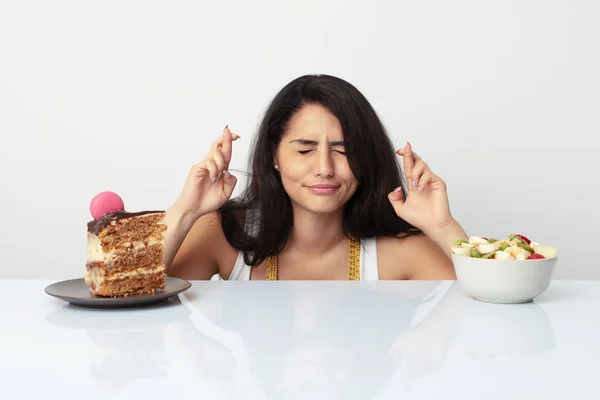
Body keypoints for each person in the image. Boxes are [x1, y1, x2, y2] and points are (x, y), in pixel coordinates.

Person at [164, 74, 468, 280]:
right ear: (274, 156)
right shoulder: (223, 234)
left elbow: (493, 315)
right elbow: (127, 297)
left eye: (344, 150)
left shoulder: (403, 251)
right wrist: (185, 211)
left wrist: (443, 227)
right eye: (305, 150)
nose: (324, 167)